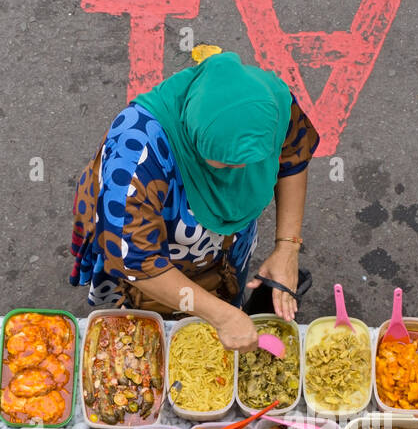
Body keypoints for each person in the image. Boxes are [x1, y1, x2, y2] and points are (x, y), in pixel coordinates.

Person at [70, 47, 318, 353]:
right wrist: (222, 316)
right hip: (145, 250)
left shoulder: (270, 103)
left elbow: (293, 159)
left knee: (221, 293)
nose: (241, 172)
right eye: (226, 163)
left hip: (221, 243)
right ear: (197, 138)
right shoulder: (136, 155)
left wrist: (287, 246)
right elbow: (137, 259)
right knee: (146, 329)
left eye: (254, 159)